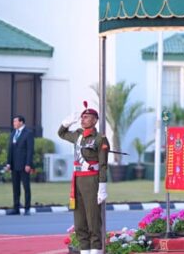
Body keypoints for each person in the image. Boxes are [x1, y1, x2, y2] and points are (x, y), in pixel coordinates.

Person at [58, 103, 109, 254]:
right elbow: (61, 133)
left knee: (93, 219)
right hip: (77, 180)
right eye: (82, 117)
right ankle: (85, 251)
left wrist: (102, 187)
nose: (83, 119)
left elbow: (103, 165)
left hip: (92, 180)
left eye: (87, 117)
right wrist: (67, 122)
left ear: (95, 120)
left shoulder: (100, 139)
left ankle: (96, 251)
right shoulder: (77, 135)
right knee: (80, 222)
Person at [6, 115, 35, 215]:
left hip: (24, 165)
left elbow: (30, 150)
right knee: (15, 187)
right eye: (13, 122)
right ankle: (16, 208)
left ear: (21, 122)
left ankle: (27, 208)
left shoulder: (28, 133)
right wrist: (8, 163)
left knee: (26, 187)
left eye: (15, 121)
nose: (14, 123)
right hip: (14, 165)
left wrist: (28, 164)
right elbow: (10, 149)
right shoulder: (14, 133)